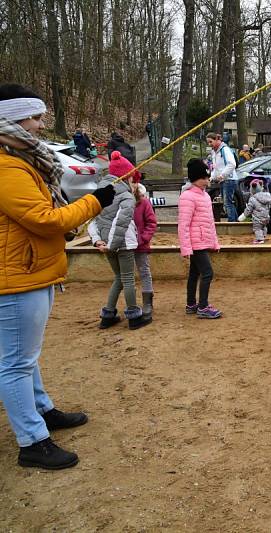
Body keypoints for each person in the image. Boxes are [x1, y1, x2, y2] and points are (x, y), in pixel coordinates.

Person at [0, 83, 115, 469]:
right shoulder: (6, 165)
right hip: (17, 277)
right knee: (16, 362)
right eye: (34, 117)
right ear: (12, 120)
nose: (40, 124)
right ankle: (32, 441)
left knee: (26, 357)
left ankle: (43, 410)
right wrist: (94, 201)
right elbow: (44, 220)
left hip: (33, 271)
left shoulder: (23, 160)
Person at [88, 152, 151, 330]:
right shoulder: (126, 197)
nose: (135, 184)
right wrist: (112, 245)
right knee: (128, 278)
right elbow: (120, 221)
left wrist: (97, 240)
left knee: (119, 278)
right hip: (121, 244)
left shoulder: (100, 191)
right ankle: (133, 316)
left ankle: (108, 314)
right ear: (128, 177)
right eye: (134, 180)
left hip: (107, 244)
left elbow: (92, 220)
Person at [179, 158, 222, 319]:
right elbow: (183, 225)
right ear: (197, 179)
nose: (207, 180)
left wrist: (214, 242)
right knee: (207, 273)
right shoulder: (188, 197)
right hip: (195, 243)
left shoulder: (204, 196)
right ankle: (203, 307)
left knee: (194, 273)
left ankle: (191, 304)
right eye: (204, 177)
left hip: (203, 241)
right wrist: (186, 247)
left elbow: (209, 222)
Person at [133, 180, 157, 320]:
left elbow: (151, 222)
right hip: (124, 245)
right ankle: (132, 303)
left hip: (140, 245)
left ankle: (147, 301)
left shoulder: (144, 202)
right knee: (126, 274)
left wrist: (143, 238)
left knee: (144, 271)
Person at [206, 132, 239, 222]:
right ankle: (235, 221)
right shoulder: (214, 152)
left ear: (217, 140)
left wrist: (222, 175)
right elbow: (215, 167)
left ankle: (232, 222)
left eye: (210, 142)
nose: (209, 144)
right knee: (228, 202)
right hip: (224, 180)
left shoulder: (225, 150)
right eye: (208, 142)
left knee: (227, 203)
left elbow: (232, 164)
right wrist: (212, 177)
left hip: (229, 179)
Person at [238, 178, 271, 244]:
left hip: (257, 218)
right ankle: (263, 236)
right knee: (264, 226)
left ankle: (260, 239)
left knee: (257, 228)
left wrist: (243, 216)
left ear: (252, 189)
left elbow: (249, 209)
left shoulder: (252, 199)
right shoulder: (267, 197)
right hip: (266, 216)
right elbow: (269, 206)